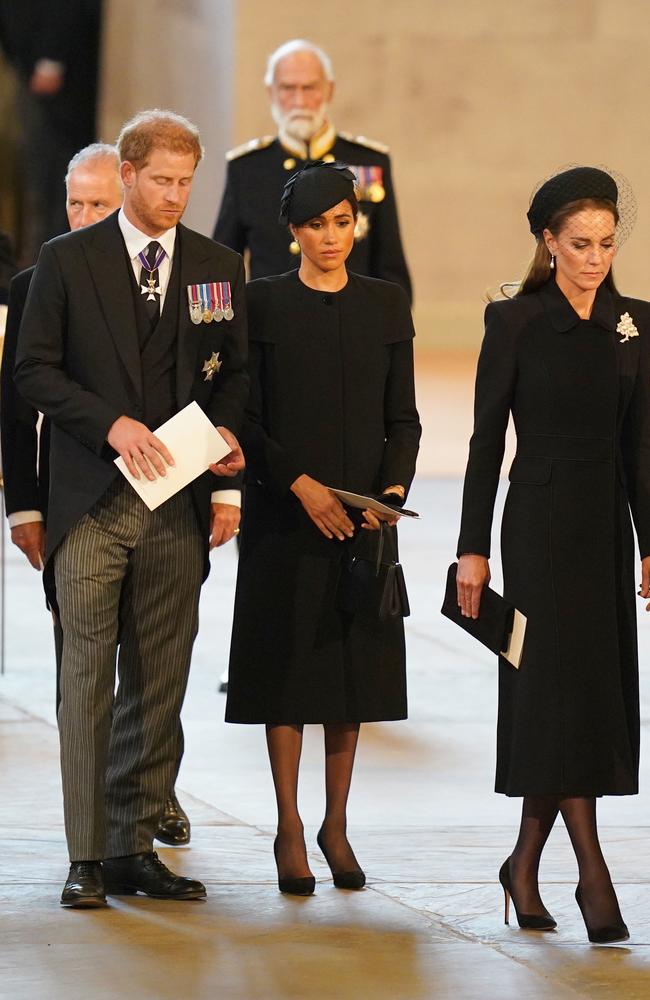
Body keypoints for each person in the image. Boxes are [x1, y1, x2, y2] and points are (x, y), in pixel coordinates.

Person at [14, 110, 247, 908]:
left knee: (159, 680)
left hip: (176, 507)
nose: (176, 195)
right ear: (127, 174)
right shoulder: (66, 261)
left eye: (187, 182)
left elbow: (238, 376)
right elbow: (33, 372)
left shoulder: (218, 266)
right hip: (89, 505)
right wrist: (109, 424)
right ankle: (85, 856)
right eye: (161, 181)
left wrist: (224, 443)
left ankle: (130, 848)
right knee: (86, 678)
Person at [455, 166, 650, 944]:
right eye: (580, 244)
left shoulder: (637, 324)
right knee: (547, 691)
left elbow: (643, 448)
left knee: (588, 695)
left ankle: (524, 864)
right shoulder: (514, 321)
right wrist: (471, 550)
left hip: (604, 525)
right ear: (548, 242)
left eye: (606, 244)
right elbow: (481, 444)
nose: (595, 257)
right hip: (534, 521)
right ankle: (593, 874)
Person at [226, 161, 420, 895]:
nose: (330, 237)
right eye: (315, 225)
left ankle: (337, 823)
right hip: (285, 517)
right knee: (287, 675)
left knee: (349, 678)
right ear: (293, 233)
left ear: (355, 223)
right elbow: (246, 415)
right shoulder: (262, 302)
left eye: (342, 222)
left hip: (364, 521)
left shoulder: (384, 303)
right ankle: (289, 825)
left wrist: (390, 492)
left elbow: (404, 417)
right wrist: (301, 486)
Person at [1, 142, 194, 849]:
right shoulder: (37, 281)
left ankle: (149, 798)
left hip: (168, 502)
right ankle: (95, 828)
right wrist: (24, 509)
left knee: (159, 662)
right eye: (74, 203)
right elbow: (17, 415)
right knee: (82, 667)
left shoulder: (173, 272)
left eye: (97, 205)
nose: (83, 216)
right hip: (75, 499)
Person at [213, 38, 411, 301]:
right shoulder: (247, 167)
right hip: (271, 325)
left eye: (309, 88)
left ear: (329, 90)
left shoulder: (369, 161)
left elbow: (390, 265)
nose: (299, 100)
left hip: (352, 320)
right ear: (271, 93)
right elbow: (223, 264)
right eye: (288, 88)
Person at [0, 0, 102, 262]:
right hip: (26, 62)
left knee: (54, 182)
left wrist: (50, 59)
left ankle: (48, 268)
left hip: (58, 78)